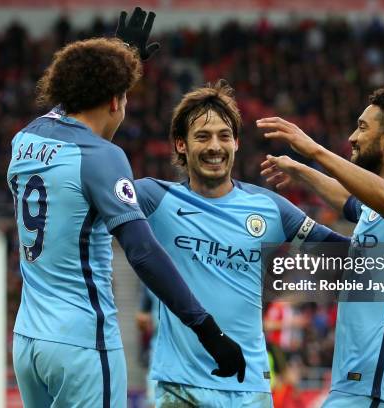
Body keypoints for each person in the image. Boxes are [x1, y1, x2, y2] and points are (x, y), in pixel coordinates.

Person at [7, 9, 244, 408]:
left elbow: (77, 95)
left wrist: (121, 55)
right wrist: (207, 330)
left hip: (28, 343)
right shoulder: (102, 156)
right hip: (82, 344)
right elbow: (143, 251)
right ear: (115, 100)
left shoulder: (24, 140)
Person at [134, 80, 347, 407]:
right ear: (180, 145)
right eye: (202, 137)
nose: (214, 146)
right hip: (179, 387)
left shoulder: (271, 208)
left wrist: (310, 171)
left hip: (248, 389)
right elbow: (94, 186)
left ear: (235, 143)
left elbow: (347, 255)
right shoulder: (154, 197)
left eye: (223, 136)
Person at [258, 88, 384, 407]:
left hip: (379, 388)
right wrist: (302, 171)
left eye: (362, 127)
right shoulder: (377, 208)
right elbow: (350, 202)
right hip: (359, 387)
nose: (351, 137)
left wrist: (315, 151)